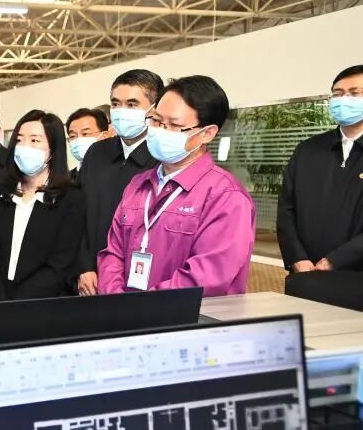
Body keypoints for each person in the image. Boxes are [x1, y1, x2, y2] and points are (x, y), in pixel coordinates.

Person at [98, 76, 255, 297]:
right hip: (124, 312)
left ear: (207, 133)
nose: (161, 131)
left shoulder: (226, 196)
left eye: (174, 126)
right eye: (156, 121)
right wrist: (116, 299)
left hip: (187, 316)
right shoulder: (138, 184)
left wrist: (137, 308)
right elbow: (113, 253)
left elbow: (206, 277)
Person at [0, 110, 85, 301]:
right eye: (19, 140)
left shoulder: (70, 199)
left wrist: (18, 302)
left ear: (53, 150)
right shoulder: (0, 193)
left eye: (35, 140)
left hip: (44, 304)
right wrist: (1, 299)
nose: (24, 147)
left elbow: (60, 263)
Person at [76, 70, 162, 296]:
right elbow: (77, 214)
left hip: (137, 282)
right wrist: (84, 267)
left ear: (154, 110)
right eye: (115, 104)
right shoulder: (97, 153)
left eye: (132, 104)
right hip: (89, 279)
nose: (122, 111)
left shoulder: (160, 159)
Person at [278, 65, 363, 273]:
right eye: (338, 94)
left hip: (358, 276)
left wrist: (336, 261)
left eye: (354, 93)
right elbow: (286, 209)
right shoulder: (308, 150)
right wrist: (297, 257)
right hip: (305, 272)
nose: (344, 100)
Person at [66, 108, 108, 182]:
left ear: (104, 136)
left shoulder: (119, 173)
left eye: (85, 134)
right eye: (72, 136)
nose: (78, 140)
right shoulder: (66, 181)